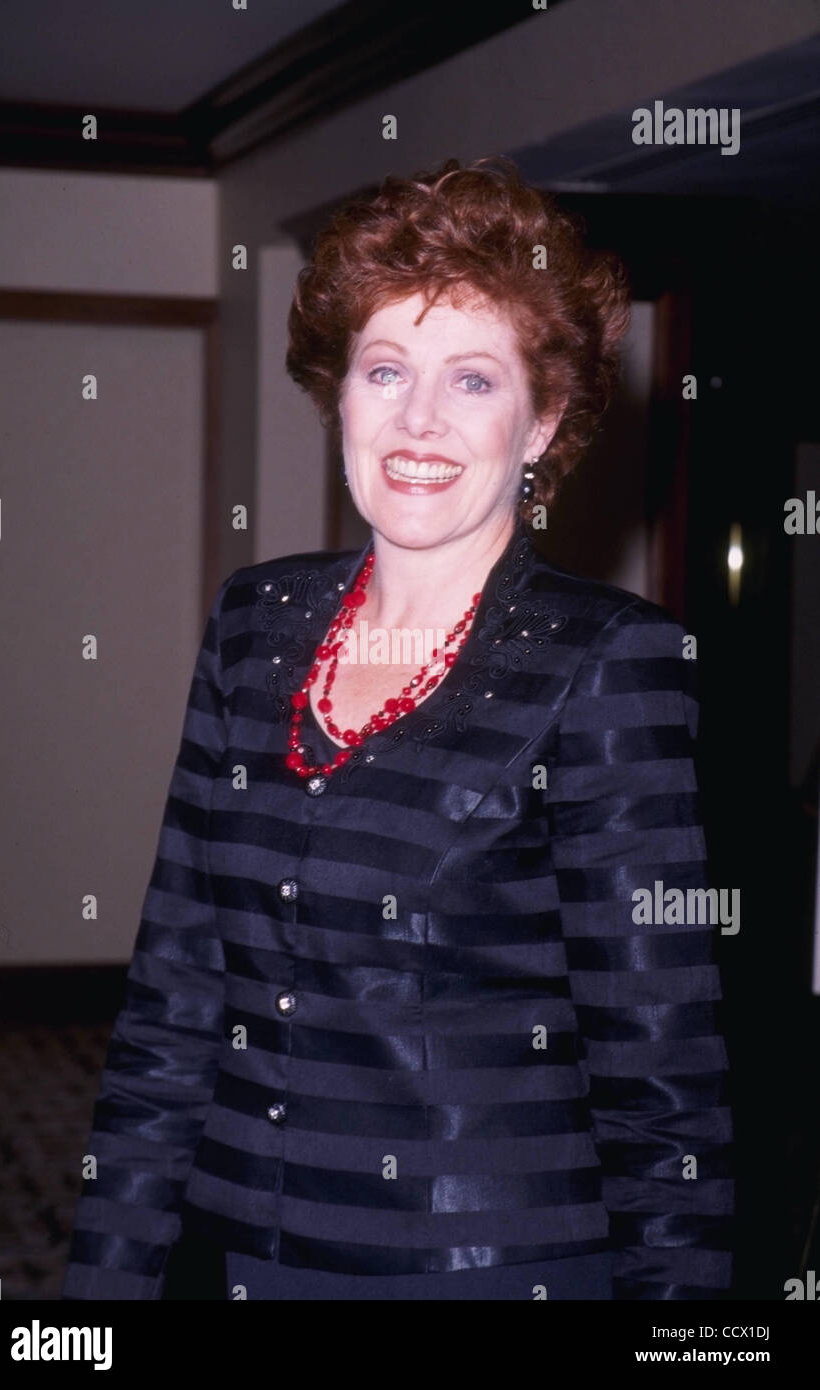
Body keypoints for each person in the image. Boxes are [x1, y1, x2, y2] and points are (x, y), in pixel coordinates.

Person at [63, 156, 733, 1301]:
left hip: (482, 1271)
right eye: (386, 370)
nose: (417, 420)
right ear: (341, 394)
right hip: (240, 1261)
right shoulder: (253, 625)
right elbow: (176, 998)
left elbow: (659, 1080)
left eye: (473, 380)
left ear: (543, 422)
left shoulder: (604, 660)